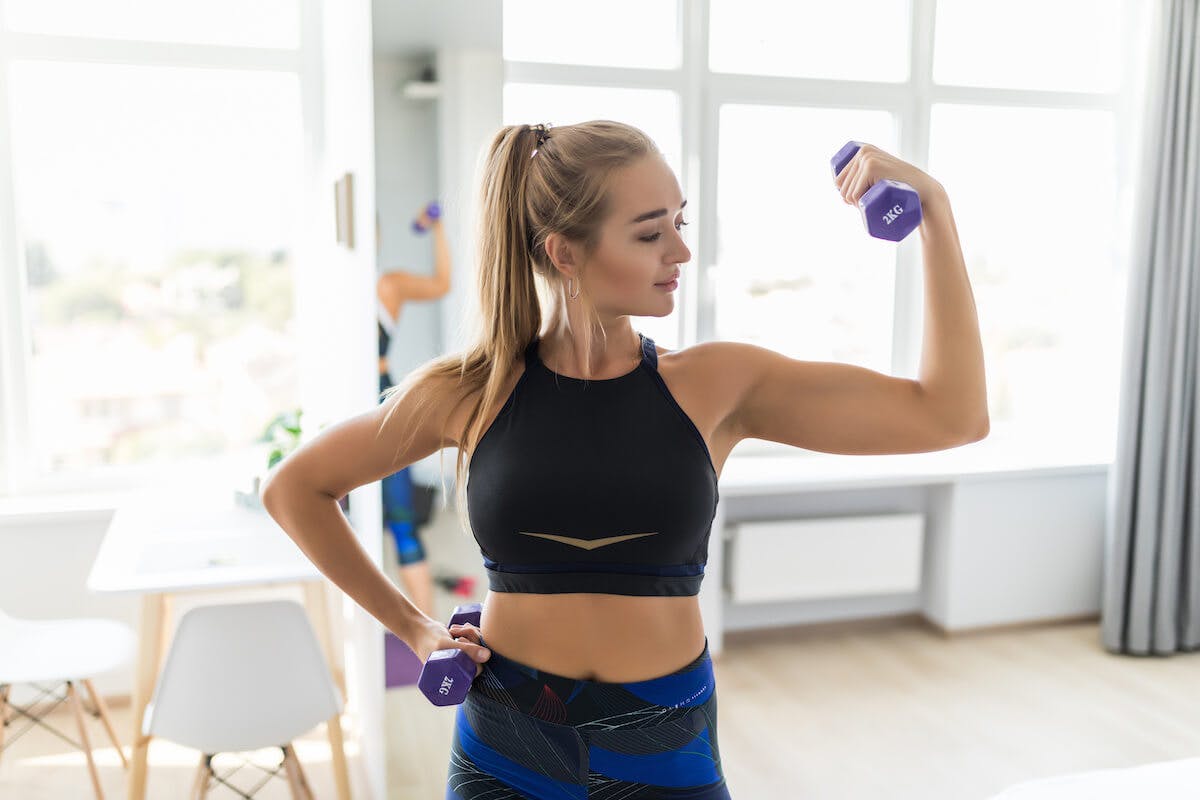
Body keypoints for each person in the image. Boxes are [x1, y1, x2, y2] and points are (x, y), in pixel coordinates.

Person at [262, 121, 987, 798]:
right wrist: (415, 629)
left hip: (666, 739)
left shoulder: (716, 385)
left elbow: (951, 416)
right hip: (507, 734)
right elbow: (295, 488)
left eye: (680, 222)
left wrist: (939, 215)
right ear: (564, 251)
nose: (679, 251)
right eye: (650, 233)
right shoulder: (471, 392)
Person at [375, 207, 452, 618]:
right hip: (348, 407)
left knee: (401, 519)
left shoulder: (386, 285)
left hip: (378, 404)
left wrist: (437, 228)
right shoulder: (328, 291)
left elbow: (442, 284)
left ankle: (429, 631)